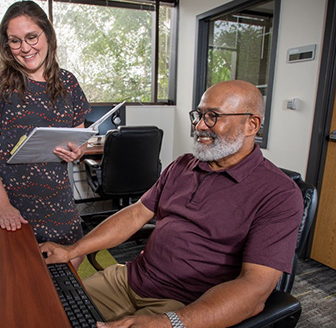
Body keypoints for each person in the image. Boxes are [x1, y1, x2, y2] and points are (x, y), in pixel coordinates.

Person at [40, 80, 304, 327]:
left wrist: (168, 322)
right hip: (130, 278)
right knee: (46, 308)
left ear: (251, 125)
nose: (200, 125)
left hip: (182, 305)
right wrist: (72, 250)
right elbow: (135, 215)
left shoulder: (279, 194)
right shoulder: (182, 165)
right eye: (199, 115)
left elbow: (254, 290)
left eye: (213, 116)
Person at [0, 0, 90, 264]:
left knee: (67, 285)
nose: (25, 48)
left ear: (47, 34)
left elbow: (79, 140)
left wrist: (78, 151)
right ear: (6, 44)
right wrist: (3, 205)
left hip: (59, 205)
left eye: (31, 37)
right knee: (18, 288)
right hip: (13, 209)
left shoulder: (69, 83)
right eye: (15, 41)